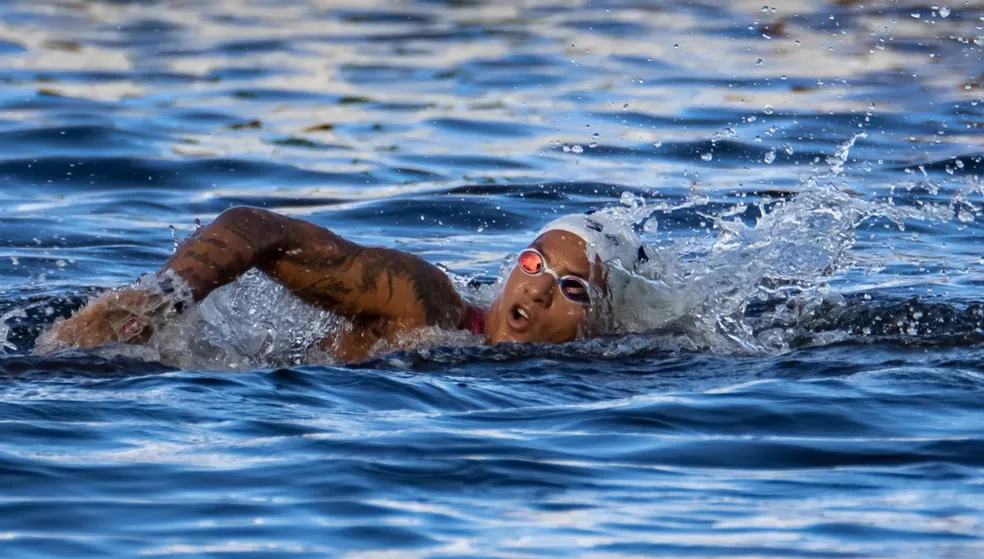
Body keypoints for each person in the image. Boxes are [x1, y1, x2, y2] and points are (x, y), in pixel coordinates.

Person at [38, 206, 645, 363]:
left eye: (574, 290)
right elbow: (255, 227)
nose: (538, 291)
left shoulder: (603, 378)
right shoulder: (424, 304)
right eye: (534, 265)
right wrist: (160, 302)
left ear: (604, 324)